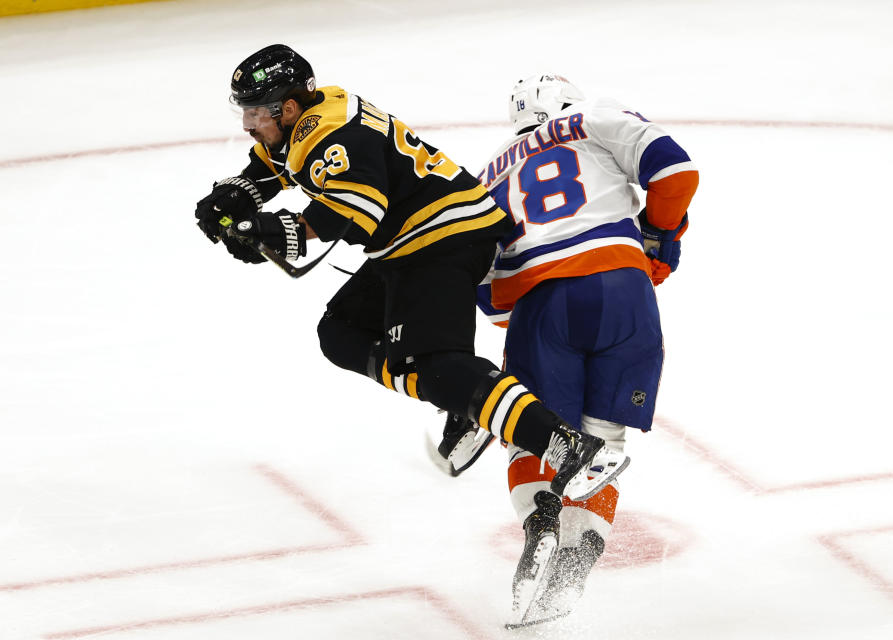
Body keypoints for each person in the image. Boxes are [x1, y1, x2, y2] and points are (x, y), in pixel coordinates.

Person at [193, 46, 630, 507]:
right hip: (412, 244)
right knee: (341, 333)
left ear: (288, 107)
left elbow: (359, 207)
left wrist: (281, 230)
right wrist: (239, 194)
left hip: (446, 237)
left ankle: (572, 448)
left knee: (441, 367)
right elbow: (279, 161)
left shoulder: (335, 130)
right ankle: (465, 402)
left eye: (256, 111)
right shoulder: (309, 119)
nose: (247, 124)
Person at [470, 74, 699, 627]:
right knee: (603, 444)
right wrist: (658, 237)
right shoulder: (592, 114)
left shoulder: (485, 177)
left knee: (535, 437)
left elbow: (490, 299)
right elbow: (675, 169)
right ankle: (578, 560)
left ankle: (541, 525)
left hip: (539, 308)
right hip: (625, 291)